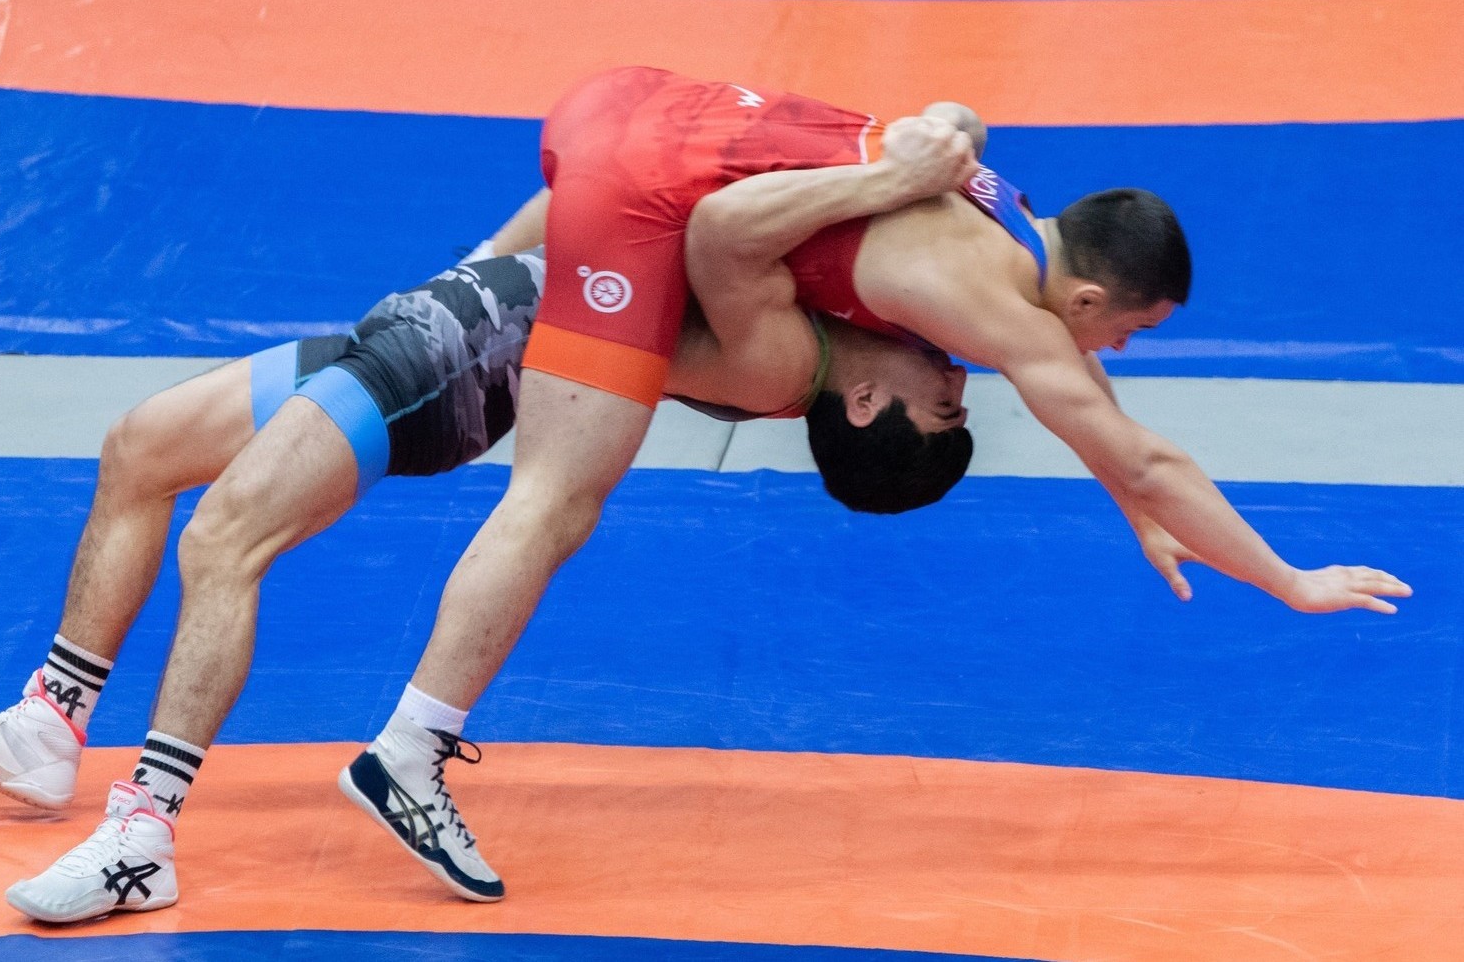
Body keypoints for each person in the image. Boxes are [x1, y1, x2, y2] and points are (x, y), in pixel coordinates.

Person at [358, 65, 1410, 905]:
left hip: (632, 102)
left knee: (558, 320)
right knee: (554, 502)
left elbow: (1089, 388)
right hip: (643, 191)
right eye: (1131, 330)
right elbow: (1131, 444)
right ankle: (410, 749)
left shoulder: (998, 209)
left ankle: (455, 285)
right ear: (1087, 295)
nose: (1119, 351)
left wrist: (1141, 512)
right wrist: (1285, 578)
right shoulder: (986, 299)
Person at [0, 116, 977, 922]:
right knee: (141, 447)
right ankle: (47, 727)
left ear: (870, 408)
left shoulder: (786, 342)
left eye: (944, 396)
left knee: (225, 537)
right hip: (443, 322)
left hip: (460, 355)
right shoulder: (838, 316)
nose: (951, 363)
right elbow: (623, 202)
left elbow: (699, 213)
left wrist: (899, 166)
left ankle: (142, 834)